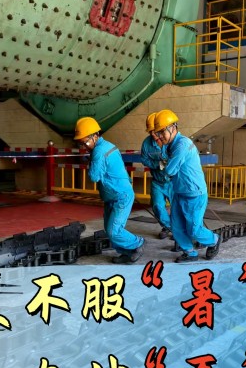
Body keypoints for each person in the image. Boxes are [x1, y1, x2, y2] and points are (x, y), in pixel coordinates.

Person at [74, 117, 145, 264]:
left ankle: (137, 243)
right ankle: (126, 253)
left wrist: (91, 162)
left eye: (85, 142)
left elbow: (94, 176)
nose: (84, 146)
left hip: (120, 196)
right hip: (112, 195)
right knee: (109, 228)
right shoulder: (107, 146)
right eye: (81, 143)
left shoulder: (99, 151)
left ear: (95, 136)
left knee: (114, 230)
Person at [153, 109, 220, 263]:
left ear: (173, 127)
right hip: (179, 192)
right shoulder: (169, 145)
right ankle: (190, 253)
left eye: (162, 132)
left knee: (194, 230)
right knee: (176, 226)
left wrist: (163, 169)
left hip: (194, 193)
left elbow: (170, 169)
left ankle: (214, 240)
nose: (160, 136)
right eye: (158, 133)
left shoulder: (182, 145)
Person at [140, 112, 173, 240]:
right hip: (158, 182)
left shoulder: (171, 141)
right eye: (150, 132)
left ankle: (178, 229)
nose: (153, 134)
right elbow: (144, 160)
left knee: (178, 207)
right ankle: (168, 227)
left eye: (155, 131)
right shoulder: (146, 144)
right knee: (157, 206)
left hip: (173, 181)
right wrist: (158, 164)